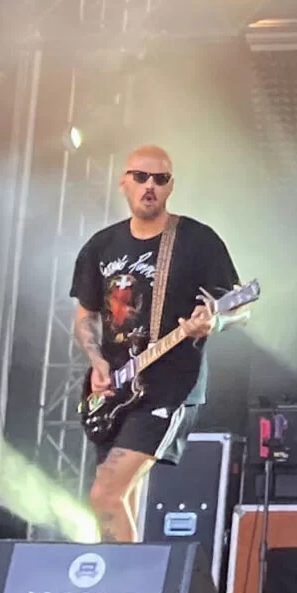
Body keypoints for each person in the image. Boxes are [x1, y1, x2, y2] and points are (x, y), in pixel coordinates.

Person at [71, 145, 241, 543]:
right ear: (124, 182)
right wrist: (96, 360)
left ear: (170, 186)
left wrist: (214, 321)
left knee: (105, 492)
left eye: (160, 179)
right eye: (141, 177)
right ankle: (124, 578)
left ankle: (127, 579)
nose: (150, 185)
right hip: (116, 389)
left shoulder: (196, 240)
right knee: (116, 500)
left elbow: (239, 307)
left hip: (170, 384)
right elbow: (85, 316)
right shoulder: (101, 246)